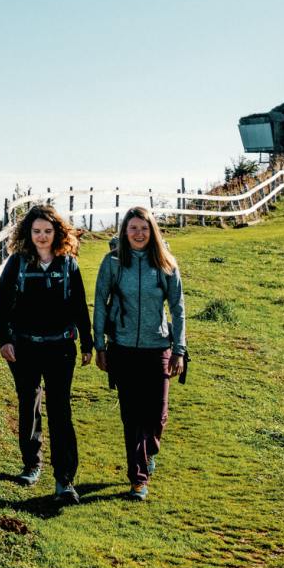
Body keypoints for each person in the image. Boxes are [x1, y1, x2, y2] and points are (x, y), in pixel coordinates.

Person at [0, 202, 92, 504]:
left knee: (61, 410)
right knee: (29, 403)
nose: (42, 236)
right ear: (28, 232)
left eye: (47, 231)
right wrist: (4, 340)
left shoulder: (67, 264)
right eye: (36, 231)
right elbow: (2, 304)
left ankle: (64, 479)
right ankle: (32, 464)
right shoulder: (17, 263)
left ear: (57, 232)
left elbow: (79, 304)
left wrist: (87, 342)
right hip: (24, 346)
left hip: (61, 347)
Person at [92, 205, 187, 501]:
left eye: (144, 228)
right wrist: (100, 345)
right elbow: (100, 301)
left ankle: (147, 454)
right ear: (125, 231)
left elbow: (179, 310)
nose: (138, 233)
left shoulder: (166, 264)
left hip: (158, 347)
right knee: (132, 416)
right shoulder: (113, 263)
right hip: (123, 349)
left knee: (157, 416)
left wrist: (179, 349)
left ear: (152, 231)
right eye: (133, 228)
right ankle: (138, 480)